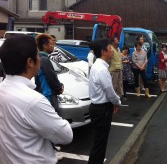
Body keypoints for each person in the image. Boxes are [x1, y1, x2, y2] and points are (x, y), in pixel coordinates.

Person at [0, 35, 73, 164]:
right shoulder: (33, 101)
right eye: (38, 55)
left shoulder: (3, 89)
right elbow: (66, 135)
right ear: (30, 62)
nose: (40, 59)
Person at [88, 38, 121, 164]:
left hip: (97, 108)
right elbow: (110, 91)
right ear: (103, 51)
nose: (112, 50)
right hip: (102, 109)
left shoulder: (97, 66)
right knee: (100, 144)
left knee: (99, 142)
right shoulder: (101, 69)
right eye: (110, 48)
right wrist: (117, 102)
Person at [35, 34, 64, 116]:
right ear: (45, 46)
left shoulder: (40, 58)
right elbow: (51, 77)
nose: (53, 47)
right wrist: (59, 88)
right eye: (51, 44)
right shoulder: (44, 60)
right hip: (48, 95)